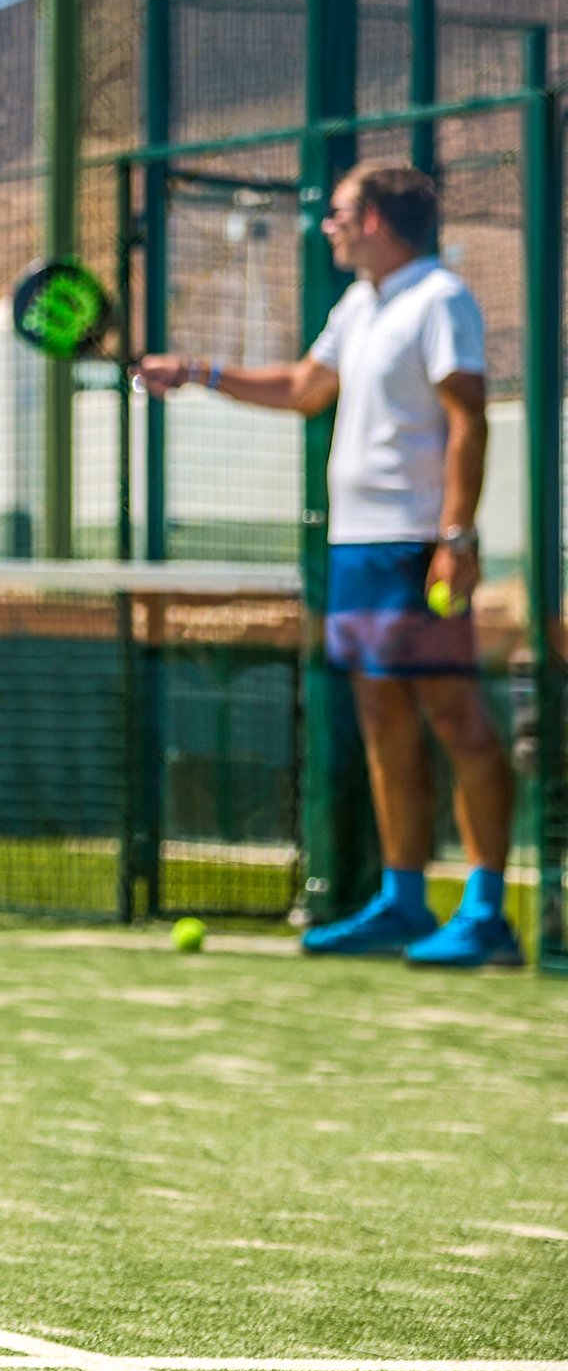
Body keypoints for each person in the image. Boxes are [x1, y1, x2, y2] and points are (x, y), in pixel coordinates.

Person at [138, 160, 514, 966]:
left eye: (339, 211)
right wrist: (197, 370)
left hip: (417, 547)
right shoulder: (360, 303)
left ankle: (486, 911)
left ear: (376, 218)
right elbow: (307, 387)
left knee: (455, 716)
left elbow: (468, 420)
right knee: (383, 724)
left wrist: (457, 537)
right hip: (357, 548)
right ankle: (403, 899)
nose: (327, 225)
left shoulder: (439, 298)